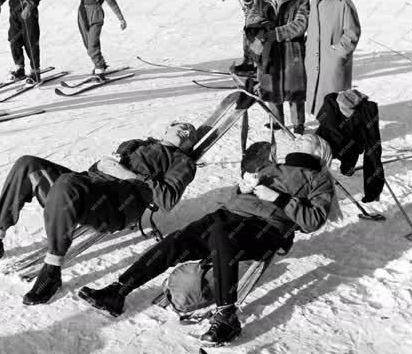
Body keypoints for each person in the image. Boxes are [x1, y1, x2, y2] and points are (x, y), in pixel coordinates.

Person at [79, 135, 336, 346]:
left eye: (309, 139)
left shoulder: (320, 179)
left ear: (320, 151)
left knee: (224, 235)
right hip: (227, 215)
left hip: (264, 228)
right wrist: (243, 189)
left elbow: (313, 220)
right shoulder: (271, 167)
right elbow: (238, 196)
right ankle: (118, 291)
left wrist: (277, 198)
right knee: (176, 242)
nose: (301, 137)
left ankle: (227, 317)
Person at [0, 121, 199, 305]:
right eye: (180, 126)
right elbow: (100, 169)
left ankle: (52, 270)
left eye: (189, 133)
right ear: (167, 129)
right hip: (89, 187)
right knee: (27, 163)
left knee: (67, 182)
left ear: (189, 145)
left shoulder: (182, 162)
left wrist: (128, 175)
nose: (185, 130)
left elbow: (167, 199)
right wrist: (103, 166)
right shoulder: (138, 144)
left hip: (117, 206)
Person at [245, 0, 309, 132]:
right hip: (268, 51)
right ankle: (276, 121)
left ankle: (298, 123)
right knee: (271, 85)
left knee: (294, 89)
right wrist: (264, 26)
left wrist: (278, 33)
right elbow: (251, 20)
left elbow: (300, 24)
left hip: (291, 51)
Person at [53, 0, 127, 77]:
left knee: (92, 43)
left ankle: (99, 66)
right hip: (82, 14)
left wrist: (121, 18)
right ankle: (100, 62)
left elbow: (112, 3)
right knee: (88, 43)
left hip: (96, 14)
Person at [305, 0, 361, 115]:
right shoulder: (313, 2)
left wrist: (338, 52)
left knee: (334, 98)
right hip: (315, 60)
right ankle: (323, 127)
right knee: (318, 98)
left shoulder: (343, 3)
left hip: (332, 59)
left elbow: (352, 33)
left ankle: (336, 130)